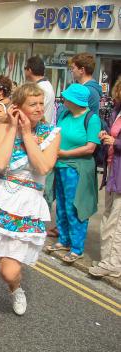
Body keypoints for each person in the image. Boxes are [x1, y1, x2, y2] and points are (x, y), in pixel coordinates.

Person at [0, 83, 60, 332]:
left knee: (9, 271)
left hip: (27, 205)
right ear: (19, 107)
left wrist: (27, 135)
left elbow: (43, 167)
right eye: (33, 104)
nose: (39, 108)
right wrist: (13, 126)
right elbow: (1, 162)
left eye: (41, 103)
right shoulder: (5, 126)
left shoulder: (52, 133)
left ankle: (16, 288)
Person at [46, 84, 101, 262]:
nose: (64, 99)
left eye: (67, 97)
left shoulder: (91, 119)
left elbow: (90, 147)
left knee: (75, 207)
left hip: (77, 169)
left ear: (75, 101)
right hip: (60, 166)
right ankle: (64, 240)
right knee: (61, 205)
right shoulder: (64, 114)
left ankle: (77, 248)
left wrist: (64, 154)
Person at [90, 77, 121, 278]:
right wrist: (106, 135)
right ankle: (107, 258)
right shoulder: (118, 111)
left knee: (117, 221)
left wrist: (115, 142)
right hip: (113, 170)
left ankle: (114, 262)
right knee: (109, 216)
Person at [24, 56, 55, 123]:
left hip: (38, 128)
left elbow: (34, 111)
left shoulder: (41, 87)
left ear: (29, 70)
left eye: (25, 69)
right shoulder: (45, 85)